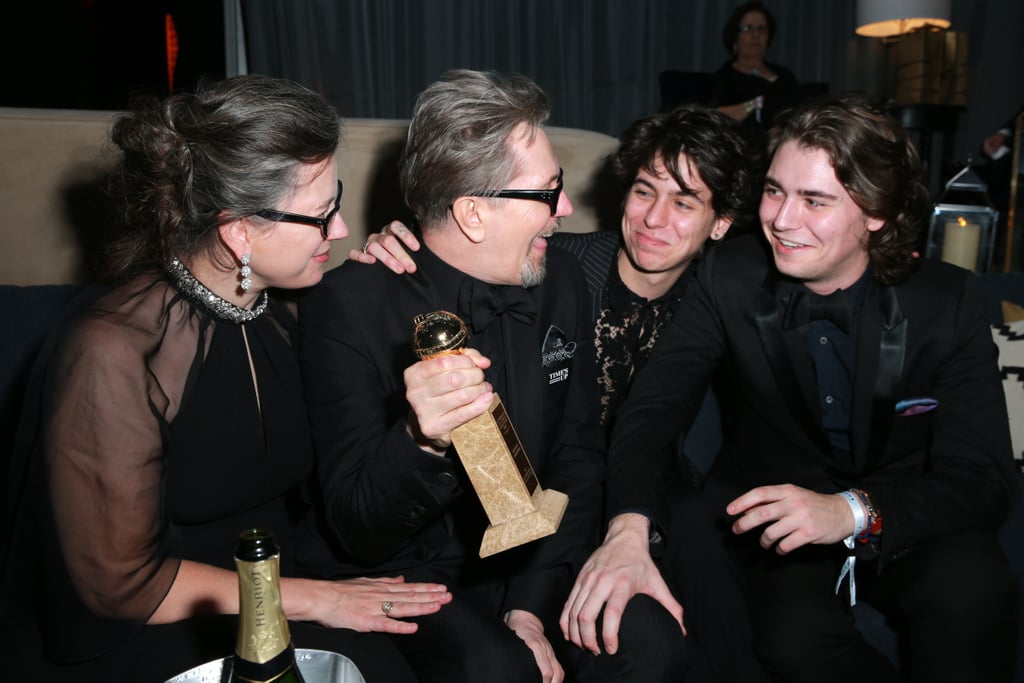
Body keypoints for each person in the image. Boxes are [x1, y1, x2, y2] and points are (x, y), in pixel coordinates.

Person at [0, 74, 452, 682]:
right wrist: (320, 598)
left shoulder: (287, 304)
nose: (341, 230)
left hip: (282, 579)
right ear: (239, 230)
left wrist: (383, 276)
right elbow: (122, 587)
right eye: (323, 215)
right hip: (156, 620)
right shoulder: (113, 351)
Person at [564, 93, 1021, 683]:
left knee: (973, 593)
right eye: (775, 191)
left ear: (875, 212)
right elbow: (652, 410)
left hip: (912, 511)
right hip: (780, 514)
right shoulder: (728, 275)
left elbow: (985, 481)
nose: (781, 219)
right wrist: (628, 527)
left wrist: (854, 511)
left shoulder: (946, 305)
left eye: (815, 200)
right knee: (790, 644)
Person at [352, 104, 768, 681]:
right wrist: (405, 245)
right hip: (530, 504)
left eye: (685, 202)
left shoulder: (721, 298)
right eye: (644, 192)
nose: (653, 218)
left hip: (639, 507)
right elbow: (458, 261)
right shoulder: (555, 264)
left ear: (720, 222)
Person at [295, 69, 605, 683]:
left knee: (651, 645)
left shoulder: (561, 280)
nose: (564, 209)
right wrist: (419, 442)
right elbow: (359, 530)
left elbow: (577, 453)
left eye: (560, 185)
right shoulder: (350, 307)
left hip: (534, 556)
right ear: (471, 213)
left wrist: (529, 605)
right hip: (412, 571)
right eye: (547, 192)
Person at [711, 1, 798, 146]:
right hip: (742, 150)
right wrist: (754, 105)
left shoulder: (785, 75)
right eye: (748, 28)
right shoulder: (725, 76)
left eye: (762, 29)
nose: (755, 35)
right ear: (735, 37)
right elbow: (716, 117)